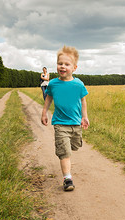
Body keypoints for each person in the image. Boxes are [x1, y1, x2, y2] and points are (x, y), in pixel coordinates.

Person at [41, 46, 89, 191]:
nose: (62, 66)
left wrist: (84, 117)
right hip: (60, 123)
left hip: (75, 123)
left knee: (74, 147)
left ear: (74, 67)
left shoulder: (78, 84)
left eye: (66, 64)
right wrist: (44, 113)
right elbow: (48, 98)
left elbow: (83, 101)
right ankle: (67, 179)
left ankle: (71, 146)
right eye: (60, 63)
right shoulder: (53, 84)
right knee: (64, 152)